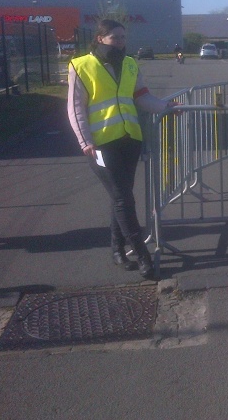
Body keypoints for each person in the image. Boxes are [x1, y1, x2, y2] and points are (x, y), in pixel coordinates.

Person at [67, 19, 176, 278]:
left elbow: (142, 97)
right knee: (121, 197)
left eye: (123, 38)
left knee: (122, 196)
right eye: (115, 38)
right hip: (101, 145)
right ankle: (142, 255)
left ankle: (117, 249)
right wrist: (85, 141)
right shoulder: (80, 65)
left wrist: (166, 107)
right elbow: (75, 107)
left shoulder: (129, 64)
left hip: (129, 140)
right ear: (99, 39)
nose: (120, 42)